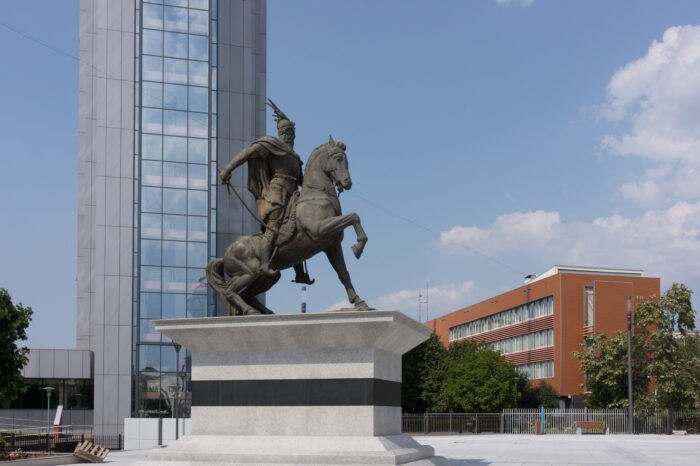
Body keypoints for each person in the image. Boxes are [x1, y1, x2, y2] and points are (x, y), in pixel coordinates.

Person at [219, 99, 314, 285]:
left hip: (294, 194)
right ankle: (263, 265)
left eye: (292, 134)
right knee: (275, 225)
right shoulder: (271, 145)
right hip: (277, 195)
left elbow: (302, 180)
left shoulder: (295, 157)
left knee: (300, 227)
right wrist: (228, 169)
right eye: (288, 133)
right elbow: (247, 154)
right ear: (281, 133)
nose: (290, 137)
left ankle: (300, 272)